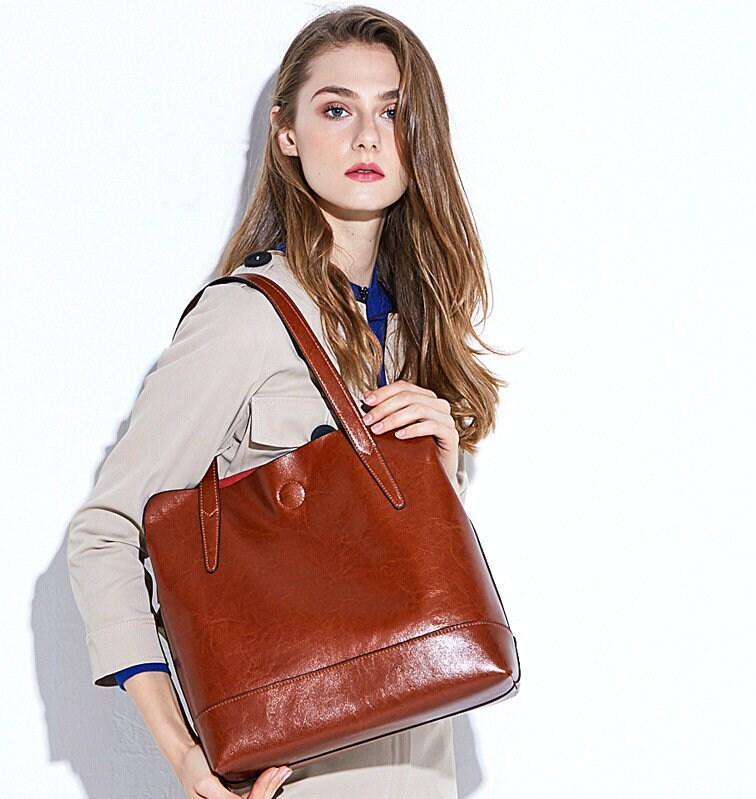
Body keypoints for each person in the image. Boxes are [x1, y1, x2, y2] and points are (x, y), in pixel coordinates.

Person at [66, 5, 507, 798]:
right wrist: (181, 749)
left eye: (393, 112)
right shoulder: (245, 316)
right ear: (287, 134)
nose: (367, 136)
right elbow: (104, 531)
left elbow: (392, 573)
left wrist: (442, 468)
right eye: (336, 109)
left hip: (430, 768)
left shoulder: (414, 328)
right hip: (301, 774)